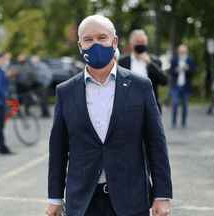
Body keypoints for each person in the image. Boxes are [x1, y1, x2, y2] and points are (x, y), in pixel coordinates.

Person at [46, 15, 172, 216]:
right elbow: (58, 149)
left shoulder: (141, 86)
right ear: (80, 46)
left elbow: (156, 144)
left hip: (131, 198)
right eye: (88, 39)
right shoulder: (66, 91)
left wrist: (162, 195)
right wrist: (54, 198)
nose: (95, 44)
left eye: (101, 37)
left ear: (114, 42)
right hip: (83, 202)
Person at [118, 29, 168, 114]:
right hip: (128, 106)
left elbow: (164, 81)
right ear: (131, 44)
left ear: (146, 43)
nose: (140, 44)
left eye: (142, 42)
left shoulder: (154, 61)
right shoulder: (123, 61)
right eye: (137, 42)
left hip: (150, 106)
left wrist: (150, 65)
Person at [169, 45, 196, 128]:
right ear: (178, 52)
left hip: (186, 86)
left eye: (184, 52)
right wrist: (176, 70)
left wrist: (187, 69)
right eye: (181, 51)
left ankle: (183, 123)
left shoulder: (190, 60)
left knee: (184, 105)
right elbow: (170, 71)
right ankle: (173, 122)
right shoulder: (174, 59)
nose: (182, 53)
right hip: (176, 86)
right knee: (175, 103)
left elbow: (194, 71)